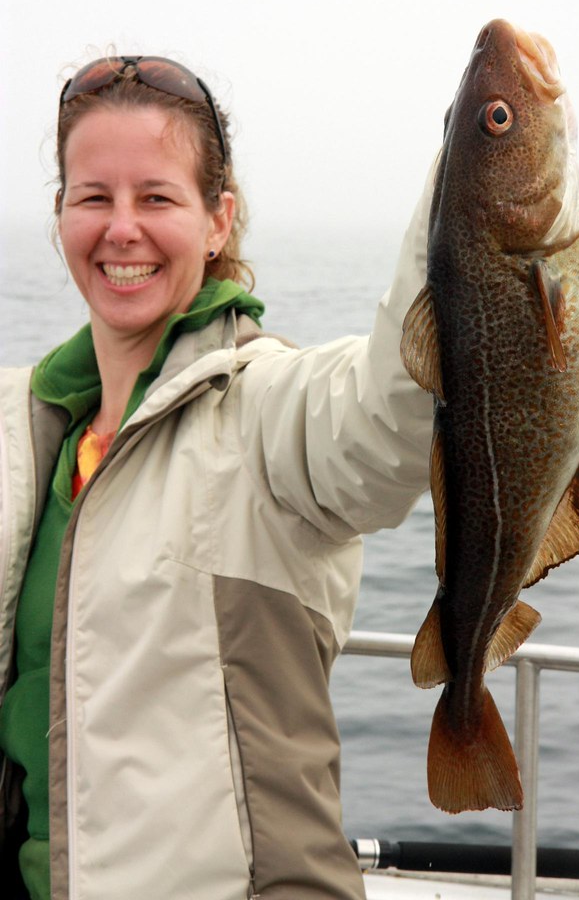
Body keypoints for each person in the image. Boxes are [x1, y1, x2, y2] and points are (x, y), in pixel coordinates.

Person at [0, 55, 434, 900]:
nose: (121, 228)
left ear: (216, 221)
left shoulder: (264, 408)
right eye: (94, 197)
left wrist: (479, 193)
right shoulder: (28, 427)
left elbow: (388, 419)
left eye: (157, 198)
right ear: (59, 217)